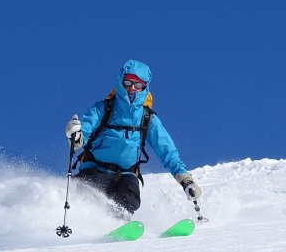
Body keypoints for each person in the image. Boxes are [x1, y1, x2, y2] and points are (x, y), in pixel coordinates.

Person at [65, 59, 201, 216]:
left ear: (145, 87)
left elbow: (167, 151)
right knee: (87, 193)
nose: (132, 88)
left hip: (126, 174)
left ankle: (117, 223)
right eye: (128, 82)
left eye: (138, 85)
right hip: (95, 168)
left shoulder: (147, 118)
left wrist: (186, 181)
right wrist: (76, 135)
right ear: (121, 82)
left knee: (129, 196)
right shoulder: (104, 108)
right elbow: (84, 131)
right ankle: (81, 222)